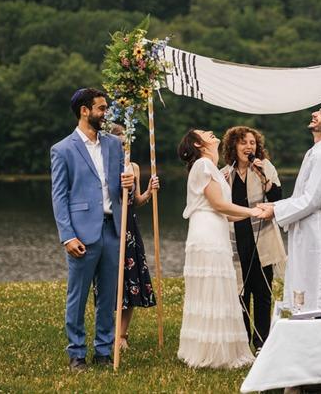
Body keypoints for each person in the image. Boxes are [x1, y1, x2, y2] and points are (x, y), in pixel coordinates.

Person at [50, 88, 134, 371]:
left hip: (112, 229)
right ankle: (76, 353)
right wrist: (67, 237)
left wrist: (129, 183)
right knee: (78, 296)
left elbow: (120, 187)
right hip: (81, 234)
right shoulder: (62, 149)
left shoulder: (114, 145)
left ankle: (103, 351)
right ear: (84, 111)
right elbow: (59, 197)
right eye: (101, 108)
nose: (105, 113)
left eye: (106, 108)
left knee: (108, 297)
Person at [177, 128, 262, 368]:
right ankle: (211, 351)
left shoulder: (212, 169)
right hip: (207, 234)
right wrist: (252, 210)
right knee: (211, 288)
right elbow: (218, 204)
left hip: (216, 229)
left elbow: (227, 213)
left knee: (218, 288)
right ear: (198, 144)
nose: (210, 132)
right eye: (204, 133)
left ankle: (216, 347)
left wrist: (256, 213)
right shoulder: (203, 165)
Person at [259, 99, 321, 314]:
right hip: (305, 224)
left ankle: (313, 325)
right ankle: (300, 320)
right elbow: (302, 197)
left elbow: (312, 200)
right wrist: (275, 204)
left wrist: (275, 210)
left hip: (315, 228)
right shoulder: (316, 151)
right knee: (301, 281)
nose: (314, 114)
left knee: (315, 285)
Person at [220, 126, 287, 352]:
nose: (249, 147)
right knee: (240, 292)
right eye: (243, 142)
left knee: (262, 292)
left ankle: (262, 343)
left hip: (262, 239)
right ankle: (242, 342)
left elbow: (277, 198)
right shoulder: (224, 173)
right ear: (233, 146)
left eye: (252, 143)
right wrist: (221, 184)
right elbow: (219, 206)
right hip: (235, 239)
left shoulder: (265, 167)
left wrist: (263, 177)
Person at [110, 124, 159, 352]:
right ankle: (107, 332)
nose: (124, 147)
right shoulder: (105, 165)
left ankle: (122, 335)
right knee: (112, 281)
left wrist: (149, 192)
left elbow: (136, 200)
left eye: (126, 143)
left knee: (131, 281)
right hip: (111, 226)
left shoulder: (135, 167)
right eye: (120, 144)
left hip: (130, 228)